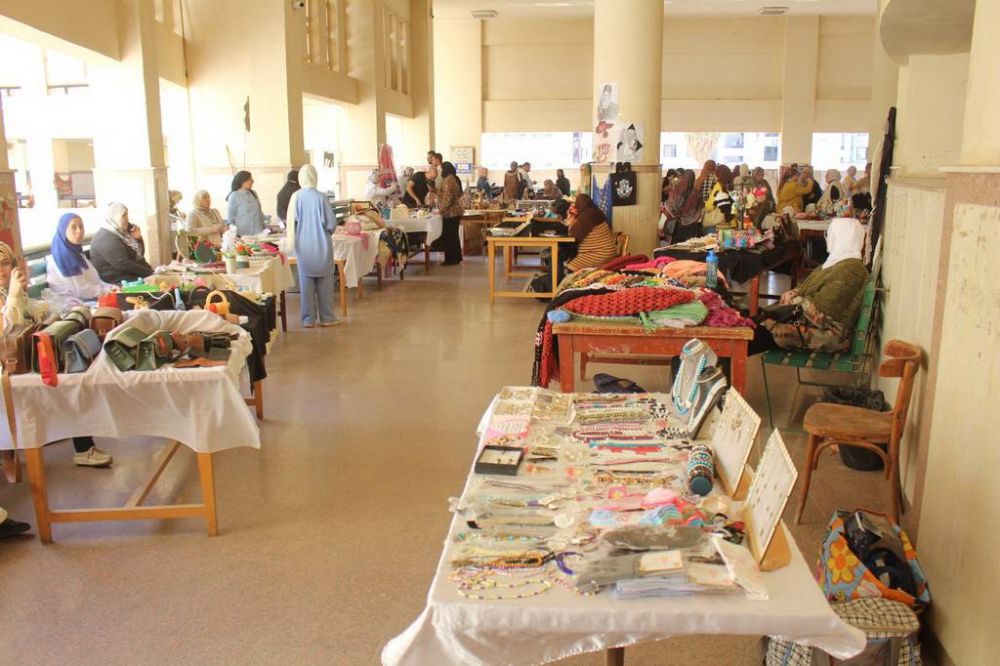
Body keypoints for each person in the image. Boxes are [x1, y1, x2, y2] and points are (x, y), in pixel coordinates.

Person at [0, 241, 112, 466]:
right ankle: (82, 446)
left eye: (4, 263)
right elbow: (7, 331)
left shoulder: (11, 292)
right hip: (8, 369)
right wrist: (14, 296)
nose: (1, 270)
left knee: (71, 378)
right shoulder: (9, 294)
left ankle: (83, 446)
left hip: (26, 361)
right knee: (63, 382)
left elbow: (33, 319)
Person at [750, 217, 868, 355]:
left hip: (826, 335)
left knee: (756, 334)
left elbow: (822, 313)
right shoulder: (839, 263)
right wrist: (794, 295)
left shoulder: (850, 270)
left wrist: (794, 299)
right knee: (751, 328)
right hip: (811, 323)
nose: (827, 238)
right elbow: (807, 292)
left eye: (830, 234)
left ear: (841, 237)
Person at [293, 165, 339, 328]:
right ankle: (327, 318)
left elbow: (292, 222)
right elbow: (331, 223)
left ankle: (308, 319)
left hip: (303, 247)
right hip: (321, 245)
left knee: (306, 284)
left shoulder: (296, 197)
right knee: (325, 283)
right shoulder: (321, 197)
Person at [46, 213, 111, 303]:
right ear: (63, 231)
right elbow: (80, 290)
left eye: (81, 227)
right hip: (71, 304)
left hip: (88, 299)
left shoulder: (77, 255)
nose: (79, 231)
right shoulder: (63, 258)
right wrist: (106, 291)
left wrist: (110, 287)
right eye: (73, 227)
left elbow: (95, 280)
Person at [90, 202, 154, 284]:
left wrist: (138, 239)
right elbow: (123, 264)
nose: (127, 219)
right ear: (113, 217)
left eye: (127, 215)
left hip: (132, 277)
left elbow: (138, 256)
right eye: (123, 215)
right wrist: (151, 273)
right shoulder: (105, 237)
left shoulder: (122, 234)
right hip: (120, 282)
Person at [565, 193, 618, 273]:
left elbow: (573, 234)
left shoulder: (587, 216)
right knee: (571, 260)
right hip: (608, 251)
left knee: (570, 267)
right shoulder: (597, 212)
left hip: (598, 254)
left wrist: (571, 220)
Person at [436, 162, 465, 266]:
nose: (440, 171)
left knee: (449, 237)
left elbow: (448, 199)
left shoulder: (448, 180)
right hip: (455, 212)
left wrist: (441, 210)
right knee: (453, 236)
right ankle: (456, 258)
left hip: (450, 213)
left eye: (441, 168)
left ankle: (450, 260)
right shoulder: (453, 178)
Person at [663, 170, 703, 243]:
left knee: (678, 247)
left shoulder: (681, 192)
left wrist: (671, 195)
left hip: (680, 225)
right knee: (690, 246)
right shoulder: (698, 193)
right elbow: (700, 210)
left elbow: (673, 208)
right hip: (693, 226)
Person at [226, 170, 266, 236]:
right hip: (243, 235)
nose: (252, 181)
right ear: (243, 181)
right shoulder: (234, 196)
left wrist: (265, 225)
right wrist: (232, 235)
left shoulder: (254, 194)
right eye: (250, 179)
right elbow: (230, 219)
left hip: (259, 232)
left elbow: (260, 212)